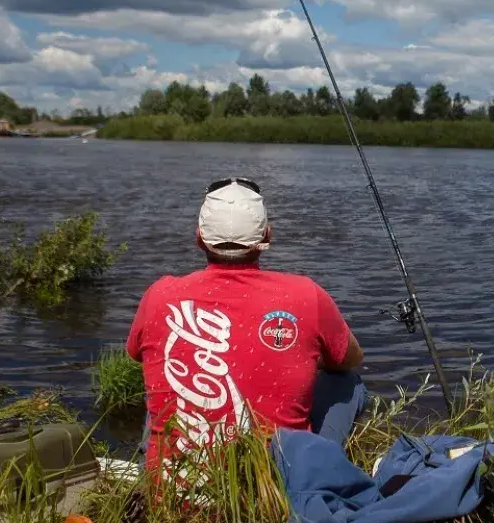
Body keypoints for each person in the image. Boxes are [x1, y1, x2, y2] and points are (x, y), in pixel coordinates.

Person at [125, 177, 367, 473]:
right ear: (267, 235)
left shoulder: (158, 296)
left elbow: (135, 354)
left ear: (199, 237)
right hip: (277, 490)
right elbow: (350, 359)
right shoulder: (306, 294)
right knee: (347, 382)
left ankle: (149, 467)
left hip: (171, 498)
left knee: (164, 385)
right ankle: (321, 467)